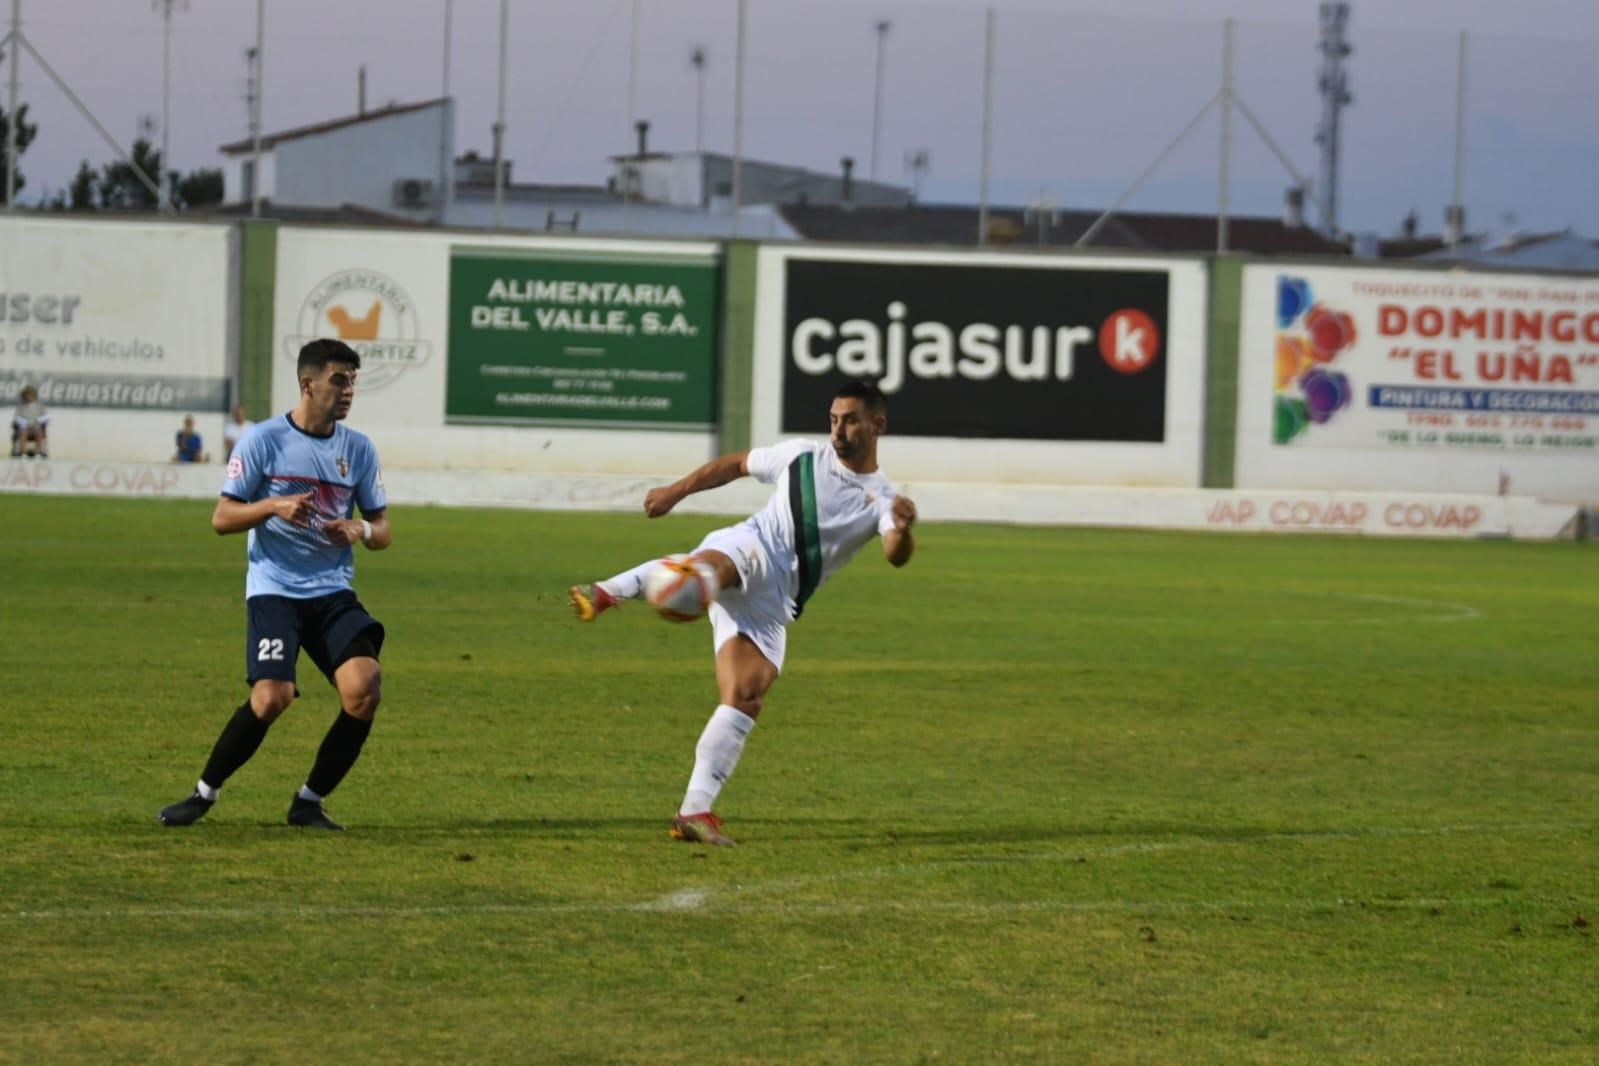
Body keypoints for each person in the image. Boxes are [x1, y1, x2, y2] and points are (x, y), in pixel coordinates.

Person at [568, 380, 917, 846]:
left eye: (850, 420)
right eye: (833, 419)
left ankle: (693, 811)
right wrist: (676, 491)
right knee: (708, 574)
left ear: (878, 424)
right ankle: (606, 591)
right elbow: (736, 464)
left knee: (745, 697)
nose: (838, 430)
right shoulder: (801, 457)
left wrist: (906, 528)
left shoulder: (885, 499)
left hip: (776, 602)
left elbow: (895, 552)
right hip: (752, 547)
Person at [158, 338, 392, 830]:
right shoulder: (262, 441)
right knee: (272, 698)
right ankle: (204, 794)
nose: (349, 390)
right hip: (276, 589)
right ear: (308, 383)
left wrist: (361, 530)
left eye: (353, 381)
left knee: (364, 689)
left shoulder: (359, 449)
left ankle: (308, 801)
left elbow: (383, 530)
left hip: (331, 591)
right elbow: (222, 518)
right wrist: (273, 506)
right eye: (339, 380)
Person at [11, 385, 49, 458]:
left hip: (35, 426)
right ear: (24, 396)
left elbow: (45, 417)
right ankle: (23, 452)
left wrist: (39, 420)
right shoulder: (20, 406)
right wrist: (22, 421)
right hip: (24, 427)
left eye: (30, 395)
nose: (29, 397)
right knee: (23, 431)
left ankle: (38, 452)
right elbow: (16, 418)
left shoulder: (40, 406)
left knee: (39, 432)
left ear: (34, 396)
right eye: (27, 395)